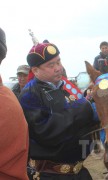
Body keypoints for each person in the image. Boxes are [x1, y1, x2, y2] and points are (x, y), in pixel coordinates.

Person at [19, 41, 100, 180]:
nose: (58, 68)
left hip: (80, 172)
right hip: (50, 175)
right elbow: (46, 132)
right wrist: (84, 107)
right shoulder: (30, 94)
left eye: (58, 61)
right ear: (35, 70)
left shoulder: (67, 88)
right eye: (51, 65)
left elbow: (83, 124)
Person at [0, 27, 29, 179]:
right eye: (19, 76)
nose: (21, 78)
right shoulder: (10, 94)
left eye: (24, 75)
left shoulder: (6, 102)